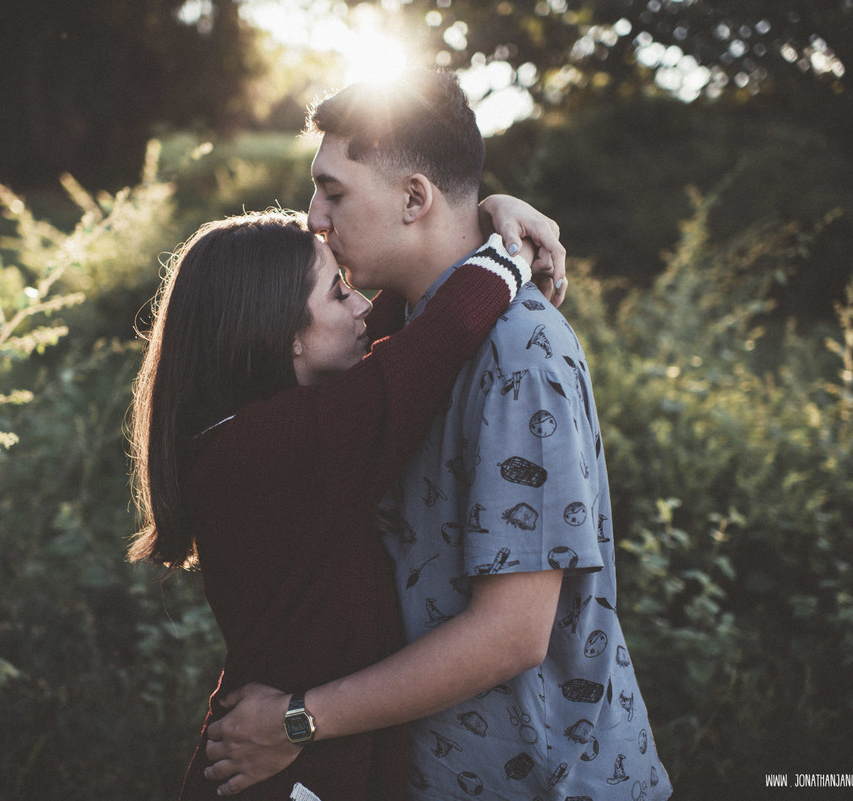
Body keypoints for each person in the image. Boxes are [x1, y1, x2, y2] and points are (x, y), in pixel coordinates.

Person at [203, 70, 672, 801]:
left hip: (548, 781)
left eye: (333, 191)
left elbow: (512, 634)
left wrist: (296, 721)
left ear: (414, 198)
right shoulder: (403, 333)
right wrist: (495, 215)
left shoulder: (518, 355)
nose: (313, 217)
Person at [128, 199, 561, 799]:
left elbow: (394, 323)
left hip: (287, 754)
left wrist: (480, 215)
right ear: (280, 331)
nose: (361, 305)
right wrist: (509, 250)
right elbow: (438, 337)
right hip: (290, 771)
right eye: (337, 292)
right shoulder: (274, 447)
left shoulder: (246, 435)